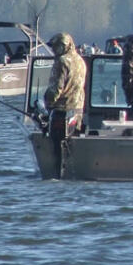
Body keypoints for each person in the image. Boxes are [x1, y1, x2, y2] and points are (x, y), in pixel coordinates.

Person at [43, 32, 86, 172]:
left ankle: (58, 174)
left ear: (64, 46)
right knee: (72, 148)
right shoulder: (81, 61)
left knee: (58, 153)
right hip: (78, 112)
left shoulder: (61, 61)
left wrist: (46, 103)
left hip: (61, 112)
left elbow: (56, 90)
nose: (53, 50)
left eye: (55, 47)